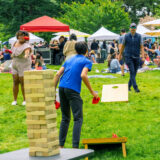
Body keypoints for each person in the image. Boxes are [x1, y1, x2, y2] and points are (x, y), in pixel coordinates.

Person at [53, 41, 98, 148]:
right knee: (78, 118)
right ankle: (75, 147)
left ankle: (60, 146)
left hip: (61, 88)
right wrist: (92, 92)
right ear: (87, 51)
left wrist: (53, 93)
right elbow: (83, 75)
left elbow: (57, 74)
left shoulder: (69, 60)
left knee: (65, 118)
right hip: (72, 90)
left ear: (75, 51)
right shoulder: (86, 61)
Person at [119, 23, 145, 92]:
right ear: (130, 28)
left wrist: (143, 56)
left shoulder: (139, 36)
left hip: (136, 56)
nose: (133, 29)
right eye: (132, 27)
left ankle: (128, 86)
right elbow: (122, 46)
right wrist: (119, 55)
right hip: (128, 56)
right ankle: (135, 87)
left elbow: (142, 47)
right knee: (132, 71)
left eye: (134, 27)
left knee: (134, 72)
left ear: (136, 28)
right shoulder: (126, 36)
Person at [11, 30, 32, 105]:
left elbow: (27, 51)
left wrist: (26, 55)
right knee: (15, 81)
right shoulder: (14, 43)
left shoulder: (27, 45)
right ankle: (15, 100)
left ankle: (25, 100)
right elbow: (12, 52)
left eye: (23, 35)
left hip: (24, 64)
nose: (21, 37)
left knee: (23, 82)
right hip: (15, 63)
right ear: (17, 36)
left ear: (26, 37)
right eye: (19, 35)